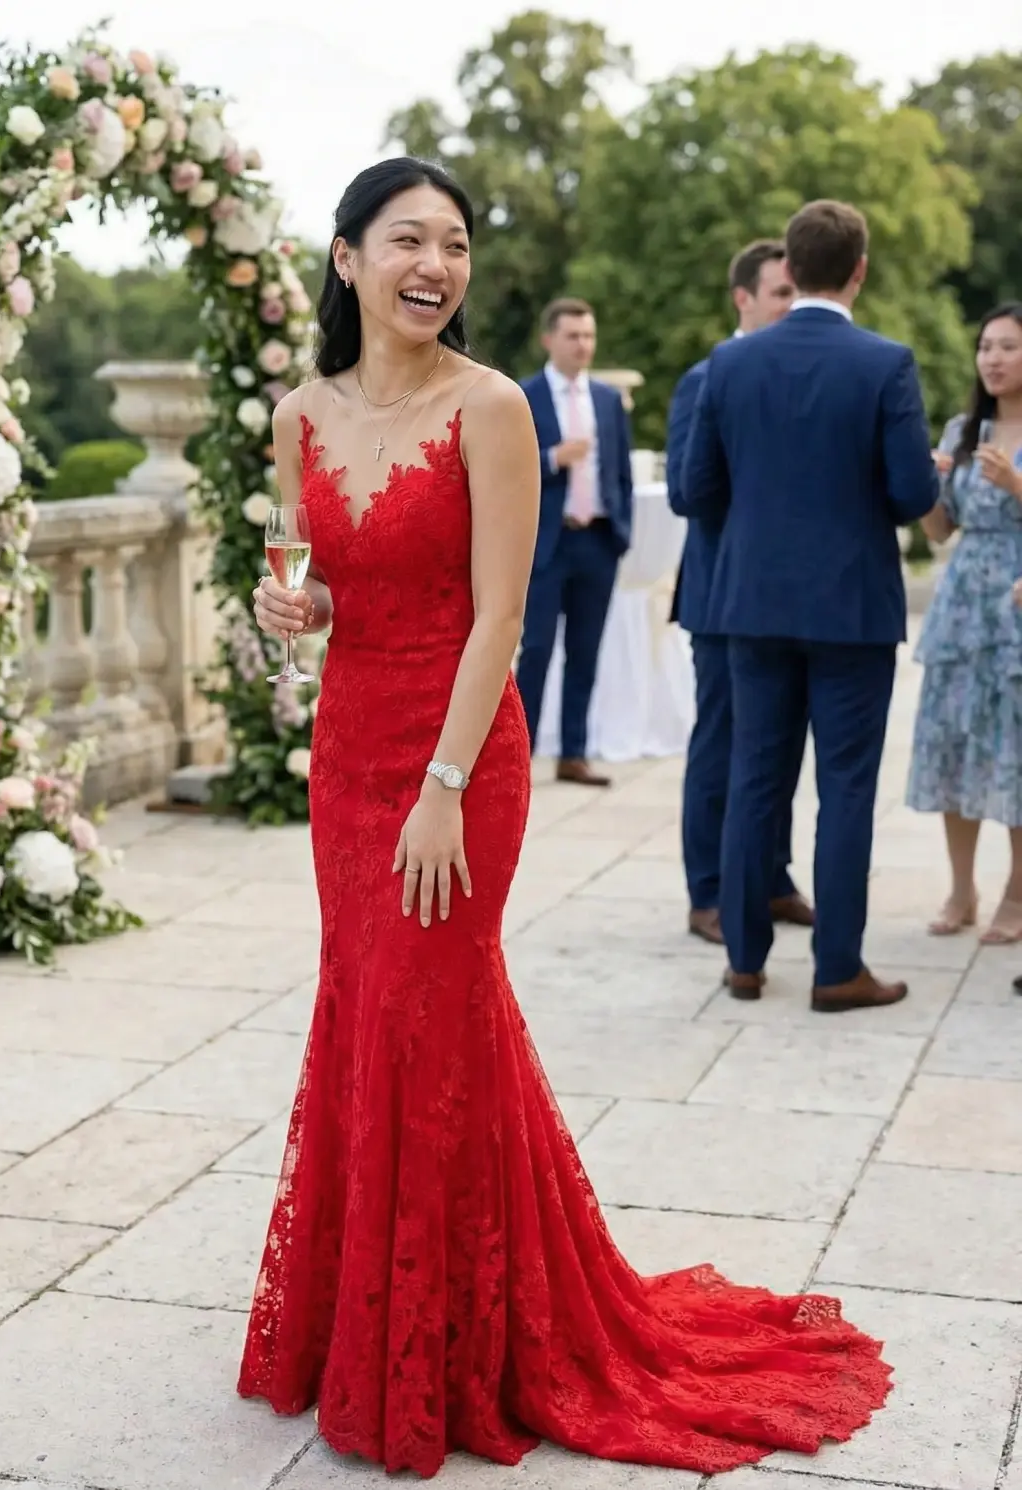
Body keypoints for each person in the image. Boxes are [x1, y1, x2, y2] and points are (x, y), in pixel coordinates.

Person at [239, 159, 892, 1478]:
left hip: (457, 760)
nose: (438, 264)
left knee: (436, 1002)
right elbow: (320, 595)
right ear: (347, 256)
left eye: (458, 244)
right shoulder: (296, 415)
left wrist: (438, 786)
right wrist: (294, 618)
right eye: (409, 239)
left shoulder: (488, 408)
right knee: (370, 1012)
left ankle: (463, 1342)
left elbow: (501, 617)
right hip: (348, 749)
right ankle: (379, 1317)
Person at [682, 199, 938, 1012]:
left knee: (755, 778)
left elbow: (694, 491)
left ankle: (746, 963)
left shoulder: (730, 364)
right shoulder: (886, 363)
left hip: (749, 604)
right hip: (851, 606)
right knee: (847, 789)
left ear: (788, 269)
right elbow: (911, 496)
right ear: (859, 270)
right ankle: (837, 970)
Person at [667, 239, 813, 945]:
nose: (791, 305)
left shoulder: (796, 377)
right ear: (744, 299)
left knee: (782, 747)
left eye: (797, 293)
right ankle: (709, 893)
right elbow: (684, 493)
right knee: (724, 744)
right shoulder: (706, 379)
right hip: (724, 598)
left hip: (789, 599)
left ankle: (771, 877)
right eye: (780, 293)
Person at [909, 303, 1022, 942]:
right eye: (986, 348)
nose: (994, 359)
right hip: (962, 604)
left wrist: (1016, 485)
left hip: (1016, 602)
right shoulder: (963, 428)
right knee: (953, 748)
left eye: (1007, 347)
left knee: (1013, 752)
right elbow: (940, 529)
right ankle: (961, 889)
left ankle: (1017, 892)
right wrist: (928, 485)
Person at [514, 299, 633, 786]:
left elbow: (620, 470)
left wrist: (621, 532)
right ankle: (517, 756)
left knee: (586, 651)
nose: (582, 344)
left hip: (598, 542)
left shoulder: (606, 399)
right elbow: (506, 469)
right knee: (536, 649)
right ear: (549, 340)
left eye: (588, 335)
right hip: (546, 543)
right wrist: (551, 458)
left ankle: (574, 753)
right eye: (572, 336)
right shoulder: (524, 397)